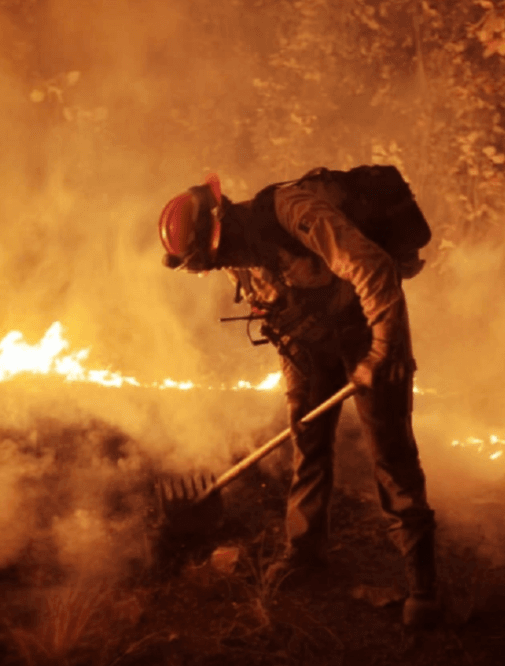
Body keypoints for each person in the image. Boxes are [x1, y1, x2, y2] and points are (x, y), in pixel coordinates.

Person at [157, 171, 440, 628]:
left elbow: (372, 266)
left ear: (221, 224)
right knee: (306, 439)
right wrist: (296, 395)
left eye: (212, 258)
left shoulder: (292, 211)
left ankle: (423, 586)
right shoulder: (238, 256)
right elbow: (280, 322)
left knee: (390, 454)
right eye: (208, 264)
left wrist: (384, 350)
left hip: (370, 327)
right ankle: (304, 554)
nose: (217, 266)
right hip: (315, 342)